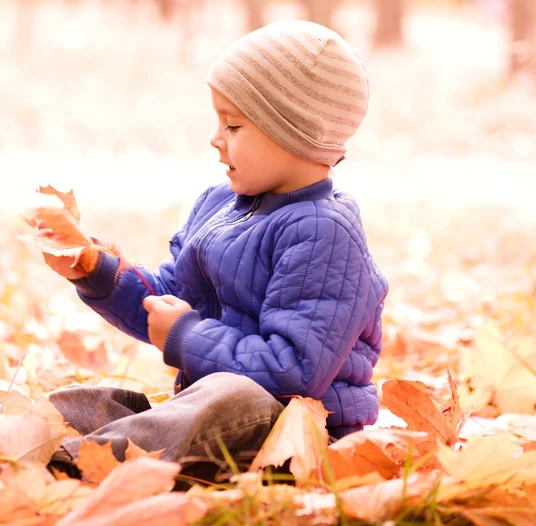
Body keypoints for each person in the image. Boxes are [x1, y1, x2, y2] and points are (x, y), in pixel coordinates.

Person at [35, 19, 388, 481]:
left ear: (296, 134)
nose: (216, 137)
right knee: (87, 403)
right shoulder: (221, 203)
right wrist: (97, 269)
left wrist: (187, 335)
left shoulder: (325, 232)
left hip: (293, 432)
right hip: (207, 409)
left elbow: (295, 371)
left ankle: (76, 463)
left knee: (228, 398)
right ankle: (37, 438)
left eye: (234, 124)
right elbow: (168, 299)